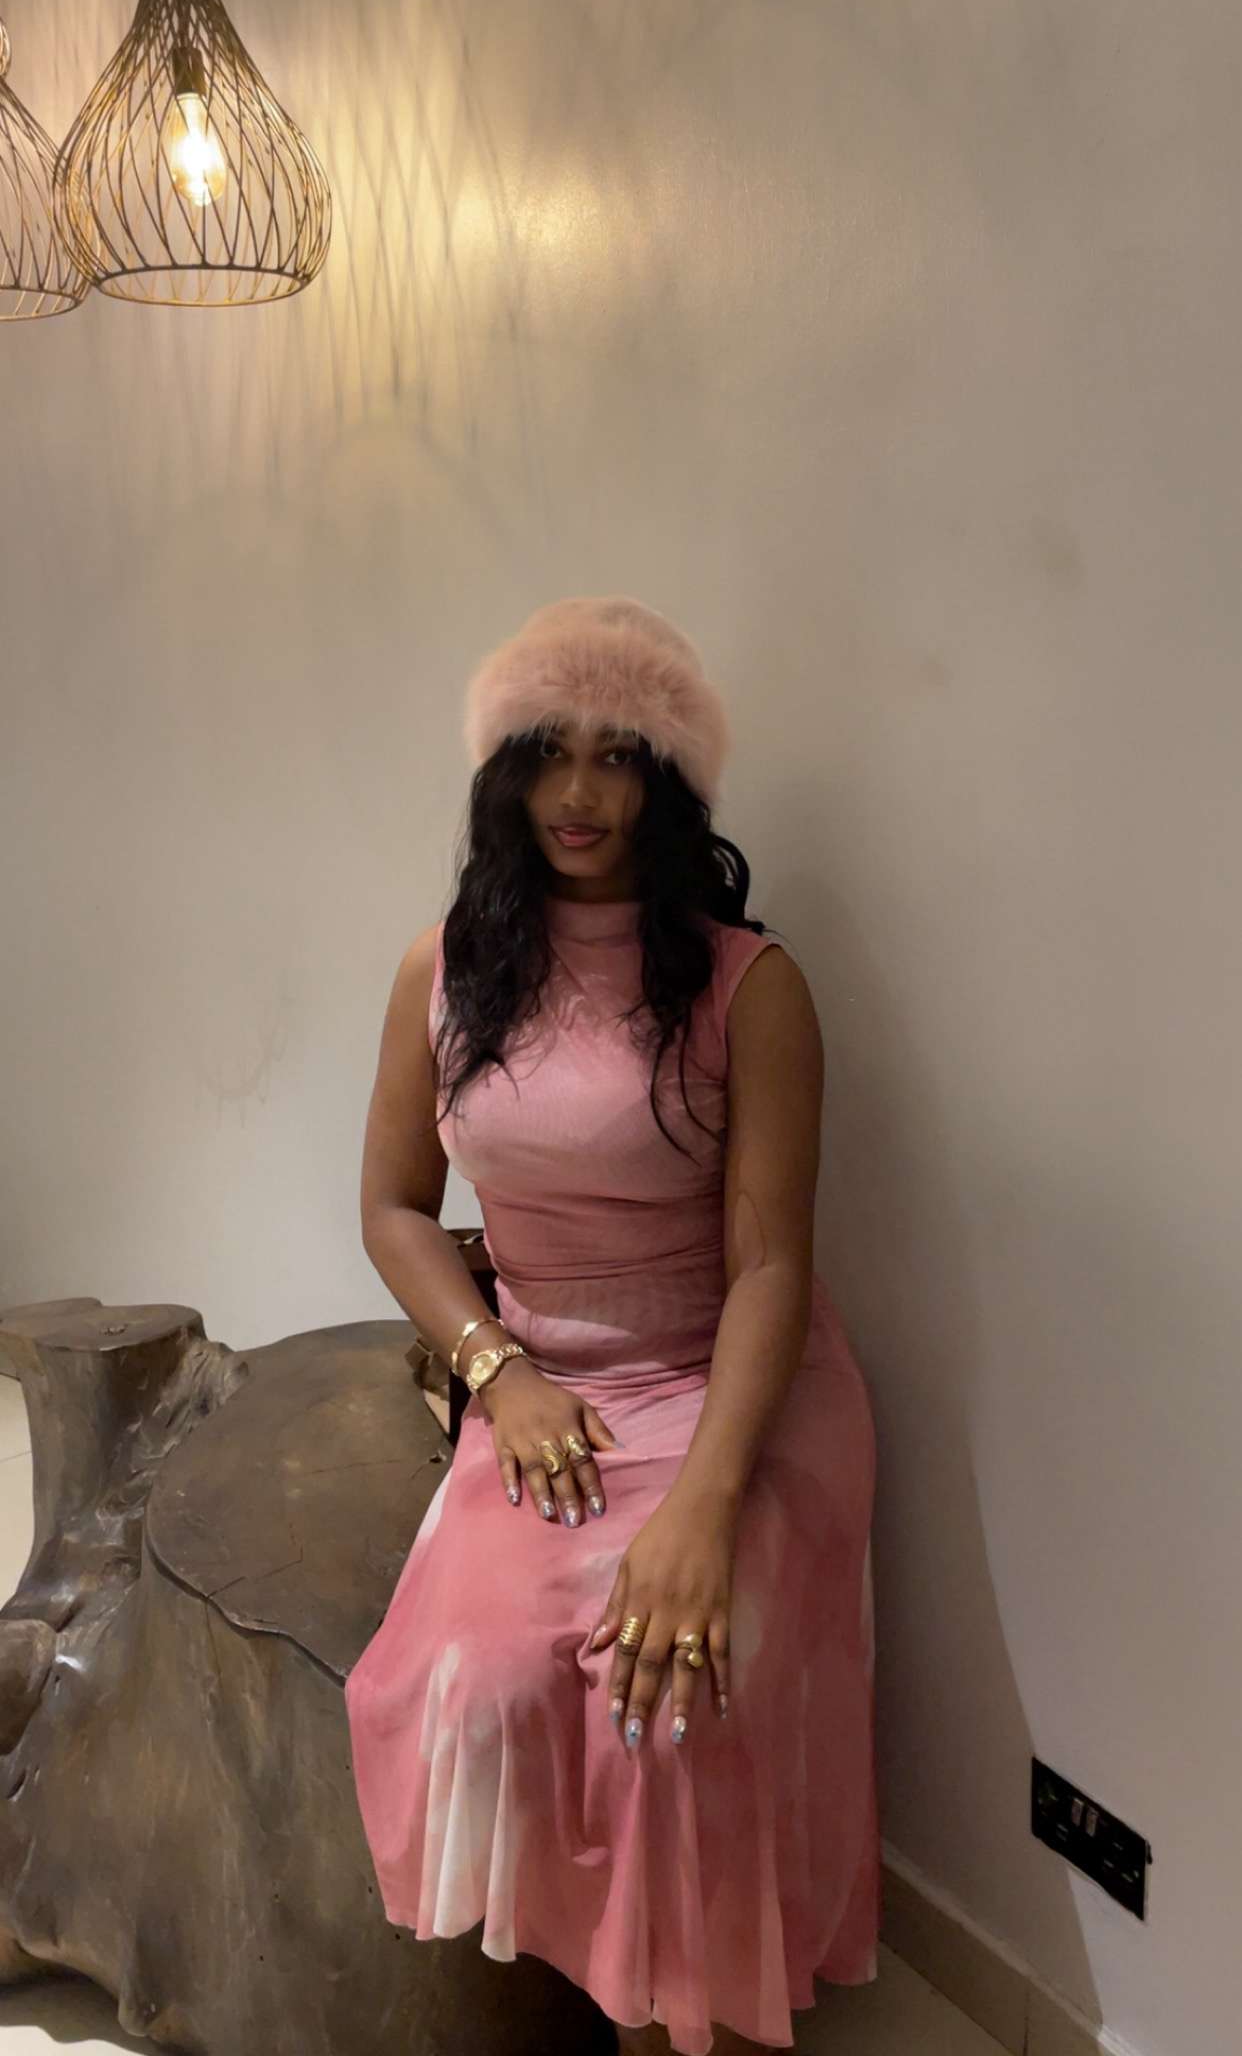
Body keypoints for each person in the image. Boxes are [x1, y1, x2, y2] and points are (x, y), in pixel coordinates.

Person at [344, 595, 880, 2056]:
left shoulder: (750, 986)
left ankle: (687, 2021)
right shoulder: (443, 969)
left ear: (670, 782)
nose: (577, 793)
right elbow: (394, 1207)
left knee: (669, 1709)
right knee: (488, 1677)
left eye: (618, 756)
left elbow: (770, 1268)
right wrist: (496, 1371)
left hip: (733, 1387)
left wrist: (705, 1505)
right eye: (547, 752)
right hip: (545, 1388)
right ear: (502, 772)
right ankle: (598, 1966)